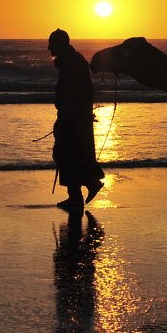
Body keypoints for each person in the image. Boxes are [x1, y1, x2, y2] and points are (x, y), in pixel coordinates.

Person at [49, 28, 104, 211]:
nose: (49, 47)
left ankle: (81, 192)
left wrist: (64, 116)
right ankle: (78, 194)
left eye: (52, 43)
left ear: (60, 44)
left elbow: (70, 94)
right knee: (75, 154)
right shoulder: (75, 61)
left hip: (73, 117)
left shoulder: (69, 64)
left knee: (67, 154)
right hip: (79, 116)